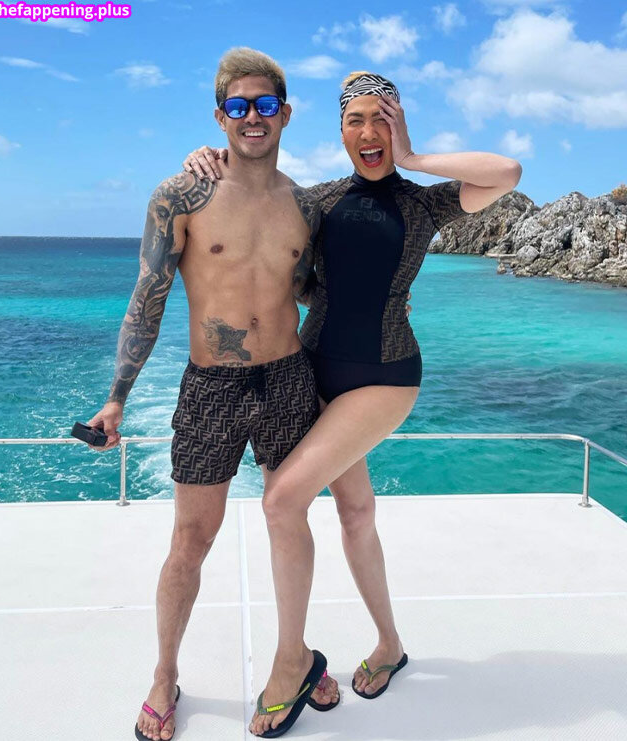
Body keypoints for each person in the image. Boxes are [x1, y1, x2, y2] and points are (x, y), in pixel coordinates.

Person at [184, 70, 522, 737]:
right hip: (312, 371)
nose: (369, 132)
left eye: (381, 118)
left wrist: (415, 156)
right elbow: (271, 244)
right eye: (355, 120)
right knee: (357, 512)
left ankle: (292, 660)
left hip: (384, 377)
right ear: (339, 131)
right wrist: (209, 158)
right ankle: (390, 644)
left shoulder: (424, 204)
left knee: (281, 501)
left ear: (397, 124)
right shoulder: (317, 201)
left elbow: (507, 172)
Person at [85, 47, 340, 741]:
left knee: (289, 522)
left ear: (285, 113)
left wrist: (382, 303)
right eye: (239, 106)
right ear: (220, 115)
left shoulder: (306, 206)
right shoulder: (181, 195)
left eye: (265, 105)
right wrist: (117, 396)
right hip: (212, 388)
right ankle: (164, 674)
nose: (253, 117)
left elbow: (308, 290)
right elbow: (148, 296)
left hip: (287, 378)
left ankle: (294, 657)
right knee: (191, 539)